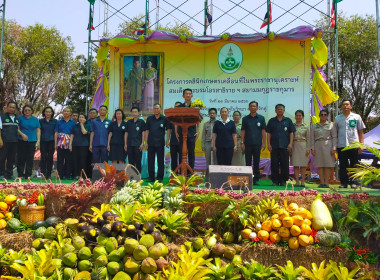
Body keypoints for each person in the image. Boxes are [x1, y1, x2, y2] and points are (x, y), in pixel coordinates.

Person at [333, 99, 366, 188]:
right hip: (341, 145)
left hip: (354, 145)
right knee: (343, 165)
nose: (345, 106)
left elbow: (361, 132)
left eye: (347, 104)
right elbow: (334, 133)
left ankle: (354, 182)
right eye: (343, 105)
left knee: (354, 164)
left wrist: (361, 145)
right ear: (341, 107)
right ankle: (344, 183)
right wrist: (334, 145)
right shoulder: (337, 118)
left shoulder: (357, 117)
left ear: (351, 106)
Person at [266, 104, 296, 186]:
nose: (280, 110)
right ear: (275, 111)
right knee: (274, 164)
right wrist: (268, 144)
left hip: (285, 146)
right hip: (274, 146)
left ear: (284, 110)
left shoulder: (288, 120)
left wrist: (290, 144)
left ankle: (283, 181)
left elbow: (291, 133)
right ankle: (275, 181)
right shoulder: (272, 121)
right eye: (278, 109)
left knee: (285, 164)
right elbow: (268, 133)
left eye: (281, 109)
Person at [241, 101, 266, 185]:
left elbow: (263, 131)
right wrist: (242, 142)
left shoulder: (261, 118)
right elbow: (243, 131)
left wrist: (264, 142)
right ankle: (247, 178)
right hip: (247, 143)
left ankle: (256, 179)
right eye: (251, 106)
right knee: (247, 162)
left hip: (257, 143)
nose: (253, 107)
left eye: (254, 106)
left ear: (257, 108)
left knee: (256, 161)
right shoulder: (245, 119)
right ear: (249, 108)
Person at [0, 102, 27, 180]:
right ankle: (1, 174)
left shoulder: (17, 118)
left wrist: (22, 135)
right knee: (2, 158)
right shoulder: (2, 117)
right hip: (4, 141)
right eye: (10, 107)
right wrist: (0, 140)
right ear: (7, 108)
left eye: (13, 107)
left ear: (15, 109)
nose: (12, 109)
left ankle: (9, 174)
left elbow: (17, 129)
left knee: (11, 159)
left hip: (14, 141)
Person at [311, 109, 336, 188]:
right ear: (319, 116)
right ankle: (321, 182)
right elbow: (312, 138)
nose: (323, 116)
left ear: (327, 116)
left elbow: (334, 137)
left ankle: (326, 182)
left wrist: (334, 147)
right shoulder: (315, 126)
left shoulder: (331, 125)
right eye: (321, 114)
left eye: (325, 114)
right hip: (318, 145)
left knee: (327, 165)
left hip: (328, 145)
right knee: (320, 165)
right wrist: (312, 148)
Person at [176, 88, 200, 171]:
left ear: (192, 95)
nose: (188, 95)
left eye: (190, 93)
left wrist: (198, 131)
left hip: (192, 133)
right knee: (181, 153)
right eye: (186, 93)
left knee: (191, 153)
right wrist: (176, 132)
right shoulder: (179, 107)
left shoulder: (195, 107)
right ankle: (182, 171)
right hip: (181, 132)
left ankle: (190, 171)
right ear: (183, 96)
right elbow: (175, 120)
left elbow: (198, 120)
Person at [145, 103, 169, 182]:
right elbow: (147, 130)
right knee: (150, 161)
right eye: (155, 108)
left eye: (157, 108)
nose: (156, 110)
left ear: (160, 109)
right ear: (153, 109)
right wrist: (146, 142)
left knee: (160, 161)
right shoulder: (149, 119)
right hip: (151, 143)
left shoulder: (164, 118)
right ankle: (151, 177)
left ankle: (159, 177)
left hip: (160, 143)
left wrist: (167, 140)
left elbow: (168, 129)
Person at [17, 105, 41, 179]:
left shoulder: (35, 119)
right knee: (21, 158)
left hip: (32, 141)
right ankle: (20, 174)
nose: (27, 111)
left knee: (30, 158)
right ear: (23, 111)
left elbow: (38, 130)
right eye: (25, 110)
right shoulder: (20, 118)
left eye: (29, 110)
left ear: (31, 111)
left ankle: (28, 175)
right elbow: (16, 128)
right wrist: (22, 134)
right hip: (21, 140)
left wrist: (38, 140)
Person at [54, 107, 76, 179]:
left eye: (68, 111)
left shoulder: (73, 123)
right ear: (63, 113)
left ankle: (67, 175)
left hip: (69, 143)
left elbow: (74, 134)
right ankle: (60, 175)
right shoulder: (59, 122)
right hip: (60, 142)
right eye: (65, 111)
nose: (66, 112)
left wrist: (71, 144)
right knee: (60, 160)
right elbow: (56, 133)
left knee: (68, 160)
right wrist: (55, 143)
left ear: (70, 113)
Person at [291, 110, 310, 187]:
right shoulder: (292, 126)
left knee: (303, 165)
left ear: (302, 117)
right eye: (297, 115)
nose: (298, 117)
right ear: (295, 116)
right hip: (294, 145)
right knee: (295, 164)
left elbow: (308, 138)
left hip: (303, 145)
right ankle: (297, 181)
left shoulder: (306, 126)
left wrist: (308, 148)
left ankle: (302, 181)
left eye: (300, 115)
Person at [70, 113, 91, 179]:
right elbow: (72, 135)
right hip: (75, 145)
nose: (81, 118)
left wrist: (82, 125)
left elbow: (84, 132)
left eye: (82, 117)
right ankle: (75, 175)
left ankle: (83, 175)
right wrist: (70, 144)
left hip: (84, 145)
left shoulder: (88, 125)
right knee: (75, 160)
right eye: (80, 117)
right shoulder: (75, 126)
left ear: (85, 119)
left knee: (83, 160)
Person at [126, 106, 146, 172]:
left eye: (135, 112)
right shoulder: (128, 122)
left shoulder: (141, 122)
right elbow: (126, 133)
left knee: (138, 161)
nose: (134, 113)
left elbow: (143, 133)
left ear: (138, 113)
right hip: (129, 144)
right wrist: (125, 144)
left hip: (138, 144)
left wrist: (142, 143)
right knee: (131, 161)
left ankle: (138, 176)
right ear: (131, 113)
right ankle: (132, 176)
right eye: (133, 112)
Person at [39, 106, 57, 180]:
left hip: (51, 141)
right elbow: (39, 131)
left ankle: (48, 174)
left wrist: (55, 143)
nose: (48, 113)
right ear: (44, 112)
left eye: (49, 112)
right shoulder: (40, 121)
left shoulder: (55, 121)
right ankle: (42, 173)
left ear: (52, 113)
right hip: (43, 141)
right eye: (46, 112)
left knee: (50, 158)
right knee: (43, 157)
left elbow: (56, 132)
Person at [201, 108, 218, 181]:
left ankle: (216, 178)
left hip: (216, 144)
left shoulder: (218, 123)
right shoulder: (206, 124)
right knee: (208, 161)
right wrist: (203, 145)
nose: (212, 114)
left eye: (213, 113)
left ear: (216, 114)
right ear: (208, 114)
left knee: (216, 161)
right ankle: (208, 179)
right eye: (210, 113)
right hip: (208, 144)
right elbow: (203, 135)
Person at [167, 102, 182, 173]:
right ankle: (174, 175)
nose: (177, 108)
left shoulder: (184, 116)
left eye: (178, 107)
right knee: (173, 159)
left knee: (182, 159)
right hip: (173, 141)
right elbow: (169, 129)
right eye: (176, 107)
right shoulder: (171, 117)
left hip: (182, 141)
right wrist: (167, 140)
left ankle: (182, 175)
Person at [86, 108, 98, 177]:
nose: (92, 114)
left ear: (97, 114)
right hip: (86, 143)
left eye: (94, 113)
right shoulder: (86, 122)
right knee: (87, 159)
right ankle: (87, 174)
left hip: (96, 143)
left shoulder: (98, 121)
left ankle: (93, 175)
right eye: (90, 113)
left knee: (94, 159)